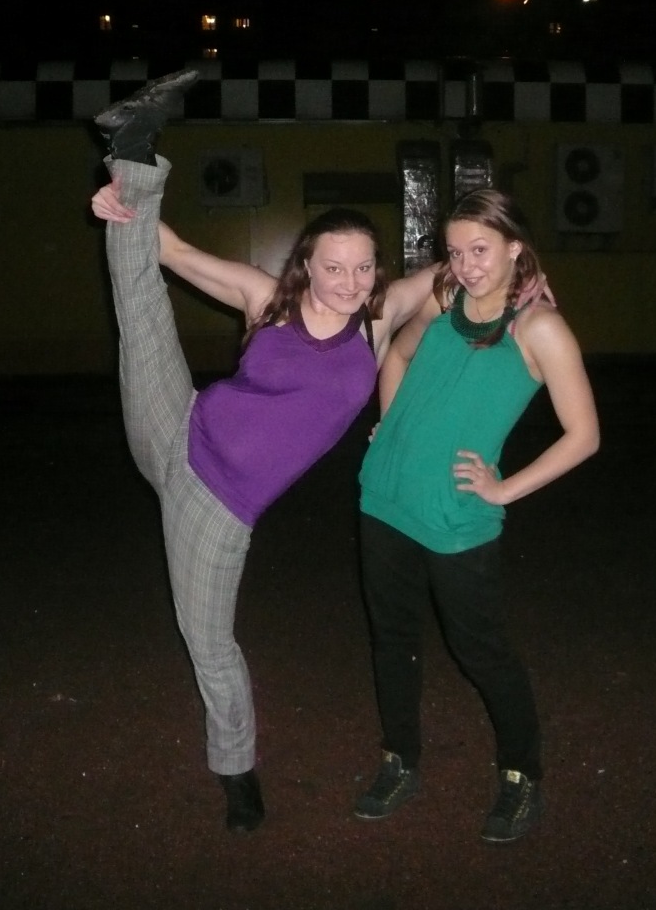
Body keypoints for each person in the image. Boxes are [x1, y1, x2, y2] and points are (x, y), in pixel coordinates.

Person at [87, 69, 436, 835]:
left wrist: (519, 273)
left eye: (363, 267)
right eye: (334, 266)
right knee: (140, 308)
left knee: (209, 642)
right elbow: (171, 251)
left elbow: (455, 272)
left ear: (377, 269)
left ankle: (236, 770)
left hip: (218, 507)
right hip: (177, 425)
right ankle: (134, 147)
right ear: (307, 264)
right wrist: (117, 205)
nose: (349, 281)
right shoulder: (263, 297)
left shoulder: (378, 321)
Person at [350, 188, 600, 843]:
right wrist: (391, 424)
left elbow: (584, 436)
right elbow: (397, 355)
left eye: (480, 249)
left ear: (516, 246)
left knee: (481, 651)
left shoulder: (539, 328)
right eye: (455, 252)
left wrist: (504, 489)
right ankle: (399, 761)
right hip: (384, 496)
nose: (466, 265)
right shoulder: (445, 297)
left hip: (456, 515)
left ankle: (523, 776)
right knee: (393, 639)